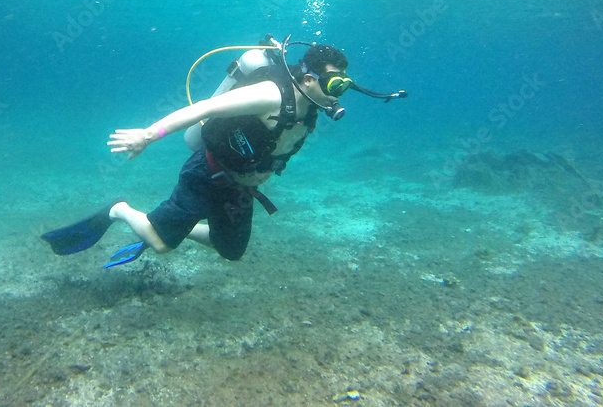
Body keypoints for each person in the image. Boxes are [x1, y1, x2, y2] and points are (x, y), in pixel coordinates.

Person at [41, 37, 406, 267]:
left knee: (229, 249)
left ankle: (175, 225)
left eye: (343, 83)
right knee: (160, 245)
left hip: (240, 186)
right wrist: (148, 136)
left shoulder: (315, 101)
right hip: (207, 172)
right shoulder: (269, 95)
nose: (338, 92)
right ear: (308, 79)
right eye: (333, 83)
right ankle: (121, 210)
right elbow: (203, 109)